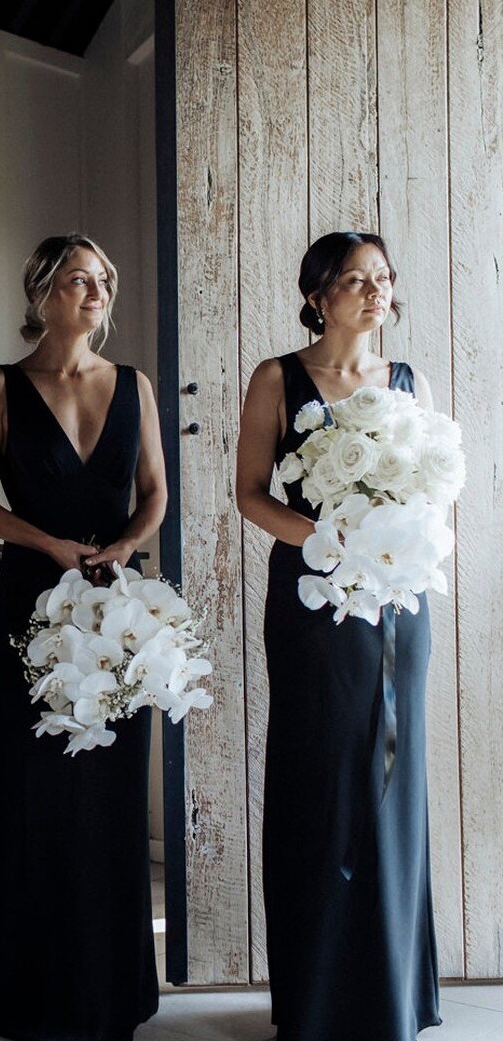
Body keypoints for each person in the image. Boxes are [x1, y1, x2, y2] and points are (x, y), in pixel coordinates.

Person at [0, 233, 166, 1040]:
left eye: (102, 279)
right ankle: (20, 990)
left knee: (108, 792)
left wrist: (120, 548)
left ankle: (113, 986)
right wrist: (48, 546)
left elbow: (153, 494)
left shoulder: (135, 385)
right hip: (32, 601)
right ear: (40, 291)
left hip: (116, 605)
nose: (95, 291)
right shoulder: (1, 387)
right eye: (77, 279)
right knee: (31, 786)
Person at [236, 231, 441, 1041]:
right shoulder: (277, 379)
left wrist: (395, 548)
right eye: (356, 279)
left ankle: (391, 993)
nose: (375, 291)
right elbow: (250, 494)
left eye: (384, 278)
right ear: (318, 294)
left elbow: (429, 491)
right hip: (314, 598)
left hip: (397, 602)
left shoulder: (408, 380)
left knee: (395, 780)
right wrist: (329, 543)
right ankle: (318, 999)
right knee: (318, 777)